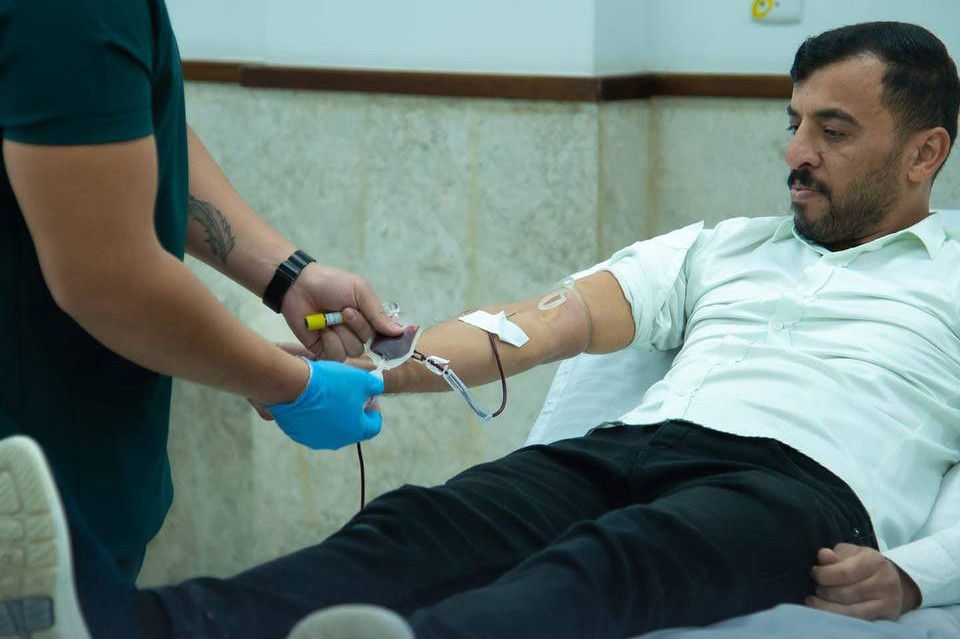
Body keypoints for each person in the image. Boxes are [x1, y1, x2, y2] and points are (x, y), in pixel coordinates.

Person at [1, 18, 959, 639]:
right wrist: (366, 370)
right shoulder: (723, 246)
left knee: (621, 558)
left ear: (925, 152)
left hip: (798, 487)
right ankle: (132, 626)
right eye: (793, 122)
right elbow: (538, 326)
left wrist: (915, 573)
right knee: (420, 522)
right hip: (632, 446)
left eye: (832, 131)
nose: (795, 153)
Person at [0, 0, 401, 580]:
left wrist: (289, 275)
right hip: (34, 506)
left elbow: (122, 128)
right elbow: (109, 280)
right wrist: (292, 384)